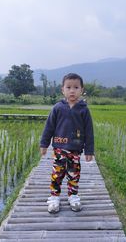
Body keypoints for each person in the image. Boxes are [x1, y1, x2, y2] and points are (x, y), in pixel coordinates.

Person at [40, 73, 94, 213]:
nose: (72, 90)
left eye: (76, 87)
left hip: (75, 150)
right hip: (59, 148)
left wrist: (89, 151)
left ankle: (73, 196)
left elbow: (89, 132)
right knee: (57, 173)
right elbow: (49, 127)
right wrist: (44, 144)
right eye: (68, 87)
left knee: (74, 174)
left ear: (81, 90)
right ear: (62, 90)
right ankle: (54, 197)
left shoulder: (83, 110)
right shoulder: (58, 108)